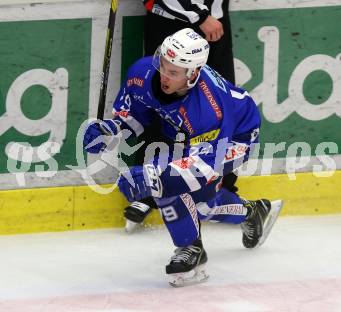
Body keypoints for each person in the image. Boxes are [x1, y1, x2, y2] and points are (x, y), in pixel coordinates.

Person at [83, 28, 283, 287]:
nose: (164, 75)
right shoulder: (143, 72)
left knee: (180, 190)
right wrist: (111, 129)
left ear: (193, 74)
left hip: (233, 138)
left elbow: (202, 168)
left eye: (174, 72)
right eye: (163, 64)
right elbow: (136, 114)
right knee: (180, 191)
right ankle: (252, 212)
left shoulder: (209, 110)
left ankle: (194, 248)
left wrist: (153, 179)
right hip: (183, 131)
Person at [123, 0, 238, 232]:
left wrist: (207, 17)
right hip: (172, 26)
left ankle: (220, 186)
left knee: (222, 106)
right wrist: (200, 17)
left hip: (214, 24)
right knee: (161, 104)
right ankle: (148, 190)